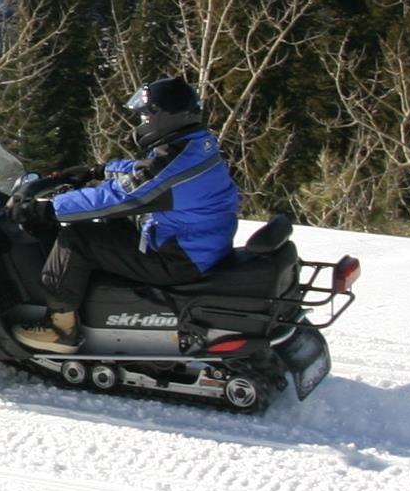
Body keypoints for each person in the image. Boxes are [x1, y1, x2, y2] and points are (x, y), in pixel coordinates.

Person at [13, 77, 240, 352]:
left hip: (179, 258)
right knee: (109, 224)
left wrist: (49, 208)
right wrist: (98, 171)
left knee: (77, 238)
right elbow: (146, 170)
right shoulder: (193, 146)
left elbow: (123, 196)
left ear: (165, 117)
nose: (141, 122)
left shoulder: (174, 165)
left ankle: (60, 329)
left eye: (145, 116)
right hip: (196, 244)